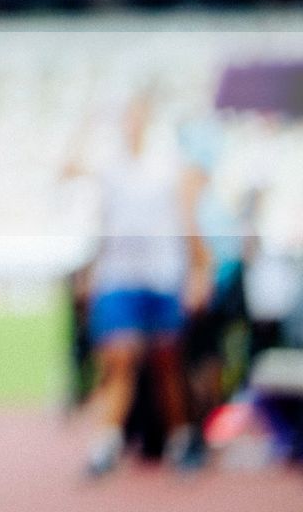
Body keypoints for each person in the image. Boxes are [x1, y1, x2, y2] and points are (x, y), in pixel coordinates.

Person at [64, 93, 210, 476]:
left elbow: (187, 218)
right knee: (119, 357)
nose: (131, 125)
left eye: (136, 117)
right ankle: (106, 443)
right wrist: (85, 122)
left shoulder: (168, 164)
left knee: (166, 362)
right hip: (119, 276)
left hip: (162, 274)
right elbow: (72, 175)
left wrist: (198, 271)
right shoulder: (111, 165)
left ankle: (180, 439)